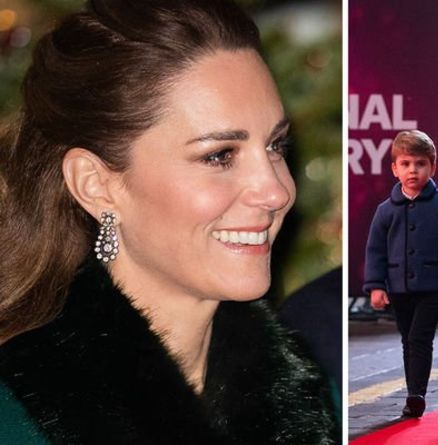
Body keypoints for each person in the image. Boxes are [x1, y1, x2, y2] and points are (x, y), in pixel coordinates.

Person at [0, 1, 336, 443]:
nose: (276, 191)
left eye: (275, 146)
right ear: (96, 184)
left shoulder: (320, 398)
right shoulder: (16, 421)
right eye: (219, 156)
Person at [363, 130, 438, 418]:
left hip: (434, 286)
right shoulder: (385, 210)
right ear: (395, 169)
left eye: (420, 164)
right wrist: (376, 286)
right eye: (405, 164)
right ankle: (414, 390)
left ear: (432, 167)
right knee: (408, 340)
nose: (413, 170)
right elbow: (376, 250)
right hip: (398, 287)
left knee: (419, 338)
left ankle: (416, 395)